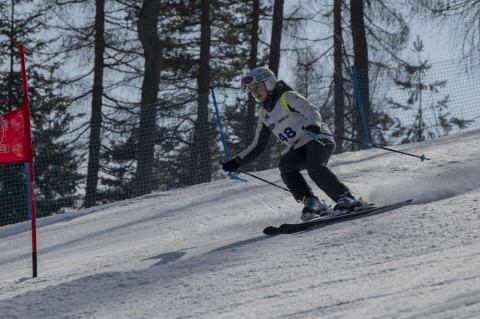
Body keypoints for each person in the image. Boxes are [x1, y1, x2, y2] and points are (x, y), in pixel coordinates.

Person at [222, 67, 369, 221]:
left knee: (315, 167)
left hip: (317, 138)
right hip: (299, 148)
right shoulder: (264, 114)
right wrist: (236, 161)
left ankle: (346, 197)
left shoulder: (287, 97)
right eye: (251, 90)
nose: (254, 92)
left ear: (269, 83)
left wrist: (313, 125)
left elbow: (311, 110)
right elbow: (258, 145)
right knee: (285, 164)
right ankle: (311, 201)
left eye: (257, 86)